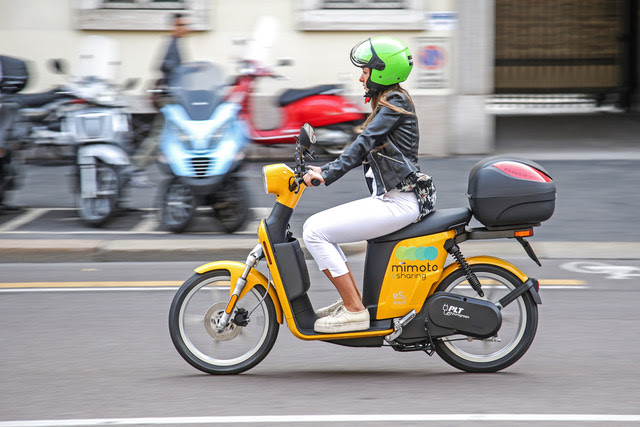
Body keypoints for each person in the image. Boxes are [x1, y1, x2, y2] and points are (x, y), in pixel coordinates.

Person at [302, 36, 436, 334]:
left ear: (382, 71)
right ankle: (351, 302)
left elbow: (364, 143)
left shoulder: (395, 102)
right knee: (318, 228)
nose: (361, 76)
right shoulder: (389, 102)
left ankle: (354, 309)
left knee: (314, 231)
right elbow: (364, 143)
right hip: (390, 199)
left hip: (398, 202)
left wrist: (327, 173)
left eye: (365, 70)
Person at [130, 13, 190, 188]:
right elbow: (165, 66)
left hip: (173, 96)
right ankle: (136, 168)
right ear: (174, 26)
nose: (185, 28)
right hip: (169, 98)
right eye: (182, 25)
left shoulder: (176, 44)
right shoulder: (172, 45)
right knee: (159, 133)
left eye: (185, 24)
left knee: (171, 133)